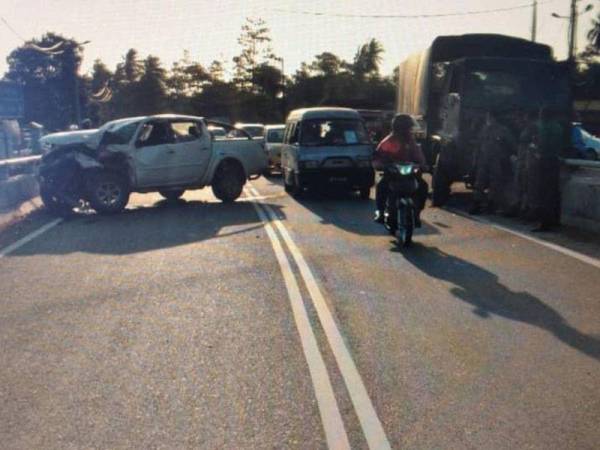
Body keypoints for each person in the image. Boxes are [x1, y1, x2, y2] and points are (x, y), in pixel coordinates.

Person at [372, 114, 428, 225]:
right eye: (407, 128)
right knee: (382, 186)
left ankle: (417, 213)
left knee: (423, 186)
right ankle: (380, 211)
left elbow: (418, 155)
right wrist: (381, 165)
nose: (409, 131)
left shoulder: (410, 141)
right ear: (399, 128)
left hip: (409, 173)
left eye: (409, 128)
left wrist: (423, 165)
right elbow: (377, 157)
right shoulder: (388, 141)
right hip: (392, 173)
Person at [470, 111, 516, 215]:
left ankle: (491, 205)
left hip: (496, 161)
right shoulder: (484, 130)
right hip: (484, 160)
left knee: (495, 184)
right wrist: (475, 160)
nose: (488, 119)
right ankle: (477, 203)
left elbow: (512, 144)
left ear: (493, 118)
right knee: (479, 183)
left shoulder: (503, 130)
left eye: (489, 117)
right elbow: (478, 146)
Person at [526, 107, 563, 232]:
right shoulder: (558, 127)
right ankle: (554, 220)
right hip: (555, 160)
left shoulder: (544, 126)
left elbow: (541, 143)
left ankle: (544, 222)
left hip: (544, 161)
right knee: (553, 191)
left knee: (542, 192)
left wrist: (535, 148)